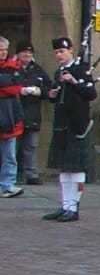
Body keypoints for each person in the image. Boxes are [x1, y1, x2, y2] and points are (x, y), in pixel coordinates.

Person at [39, 37, 96, 222]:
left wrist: (73, 81)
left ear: (71, 50)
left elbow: (91, 93)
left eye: (62, 52)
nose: (59, 55)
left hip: (77, 124)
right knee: (64, 169)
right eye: (56, 52)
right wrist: (52, 95)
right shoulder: (58, 72)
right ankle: (65, 205)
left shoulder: (82, 69)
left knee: (77, 167)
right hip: (61, 124)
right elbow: (57, 97)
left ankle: (74, 207)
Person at [0, 35, 31, 197]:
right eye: (0, 50)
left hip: (10, 115)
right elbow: (12, 86)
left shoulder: (13, 67)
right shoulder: (12, 68)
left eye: (5, 50)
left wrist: (9, 85)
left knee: (10, 155)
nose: (3, 53)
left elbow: (16, 86)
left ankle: (7, 184)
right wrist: (10, 85)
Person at [14, 42, 47, 185]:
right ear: (18, 54)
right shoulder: (11, 67)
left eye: (29, 53)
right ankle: (12, 174)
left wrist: (41, 91)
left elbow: (49, 88)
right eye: (24, 53)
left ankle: (31, 174)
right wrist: (20, 90)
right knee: (12, 147)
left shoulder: (38, 70)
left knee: (31, 146)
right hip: (14, 113)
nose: (27, 55)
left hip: (33, 114)